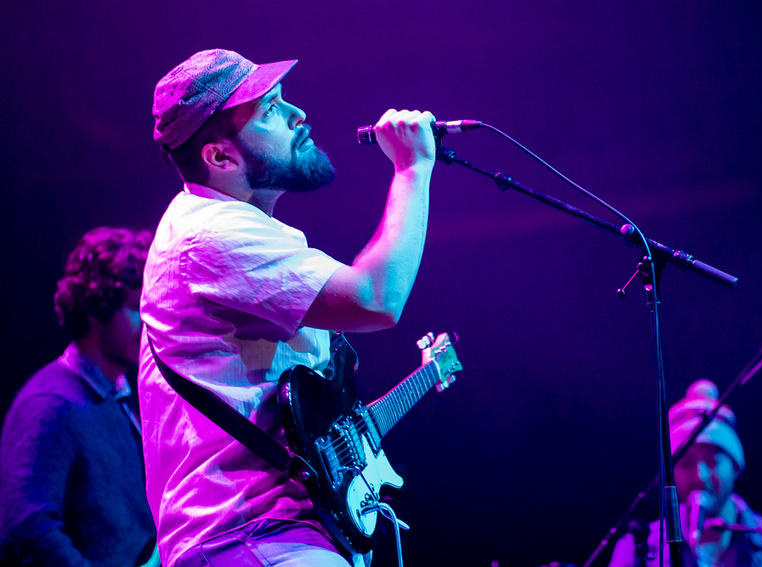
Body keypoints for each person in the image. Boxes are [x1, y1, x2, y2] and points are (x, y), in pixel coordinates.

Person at [139, 49, 436, 567]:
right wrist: (413, 168)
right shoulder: (211, 233)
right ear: (221, 158)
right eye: (271, 109)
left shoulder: (241, 230)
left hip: (280, 533)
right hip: (248, 536)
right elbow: (377, 300)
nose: (298, 114)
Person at [0, 227, 158, 566]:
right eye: (135, 308)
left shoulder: (116, 395)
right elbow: (28, 527)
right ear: (94, 308)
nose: (148, 322)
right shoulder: (50, 404)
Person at [608, 379, 762, 567]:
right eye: (685, 463)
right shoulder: (638, 547)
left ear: (736, 466)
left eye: (712, 462)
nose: (700, 477)